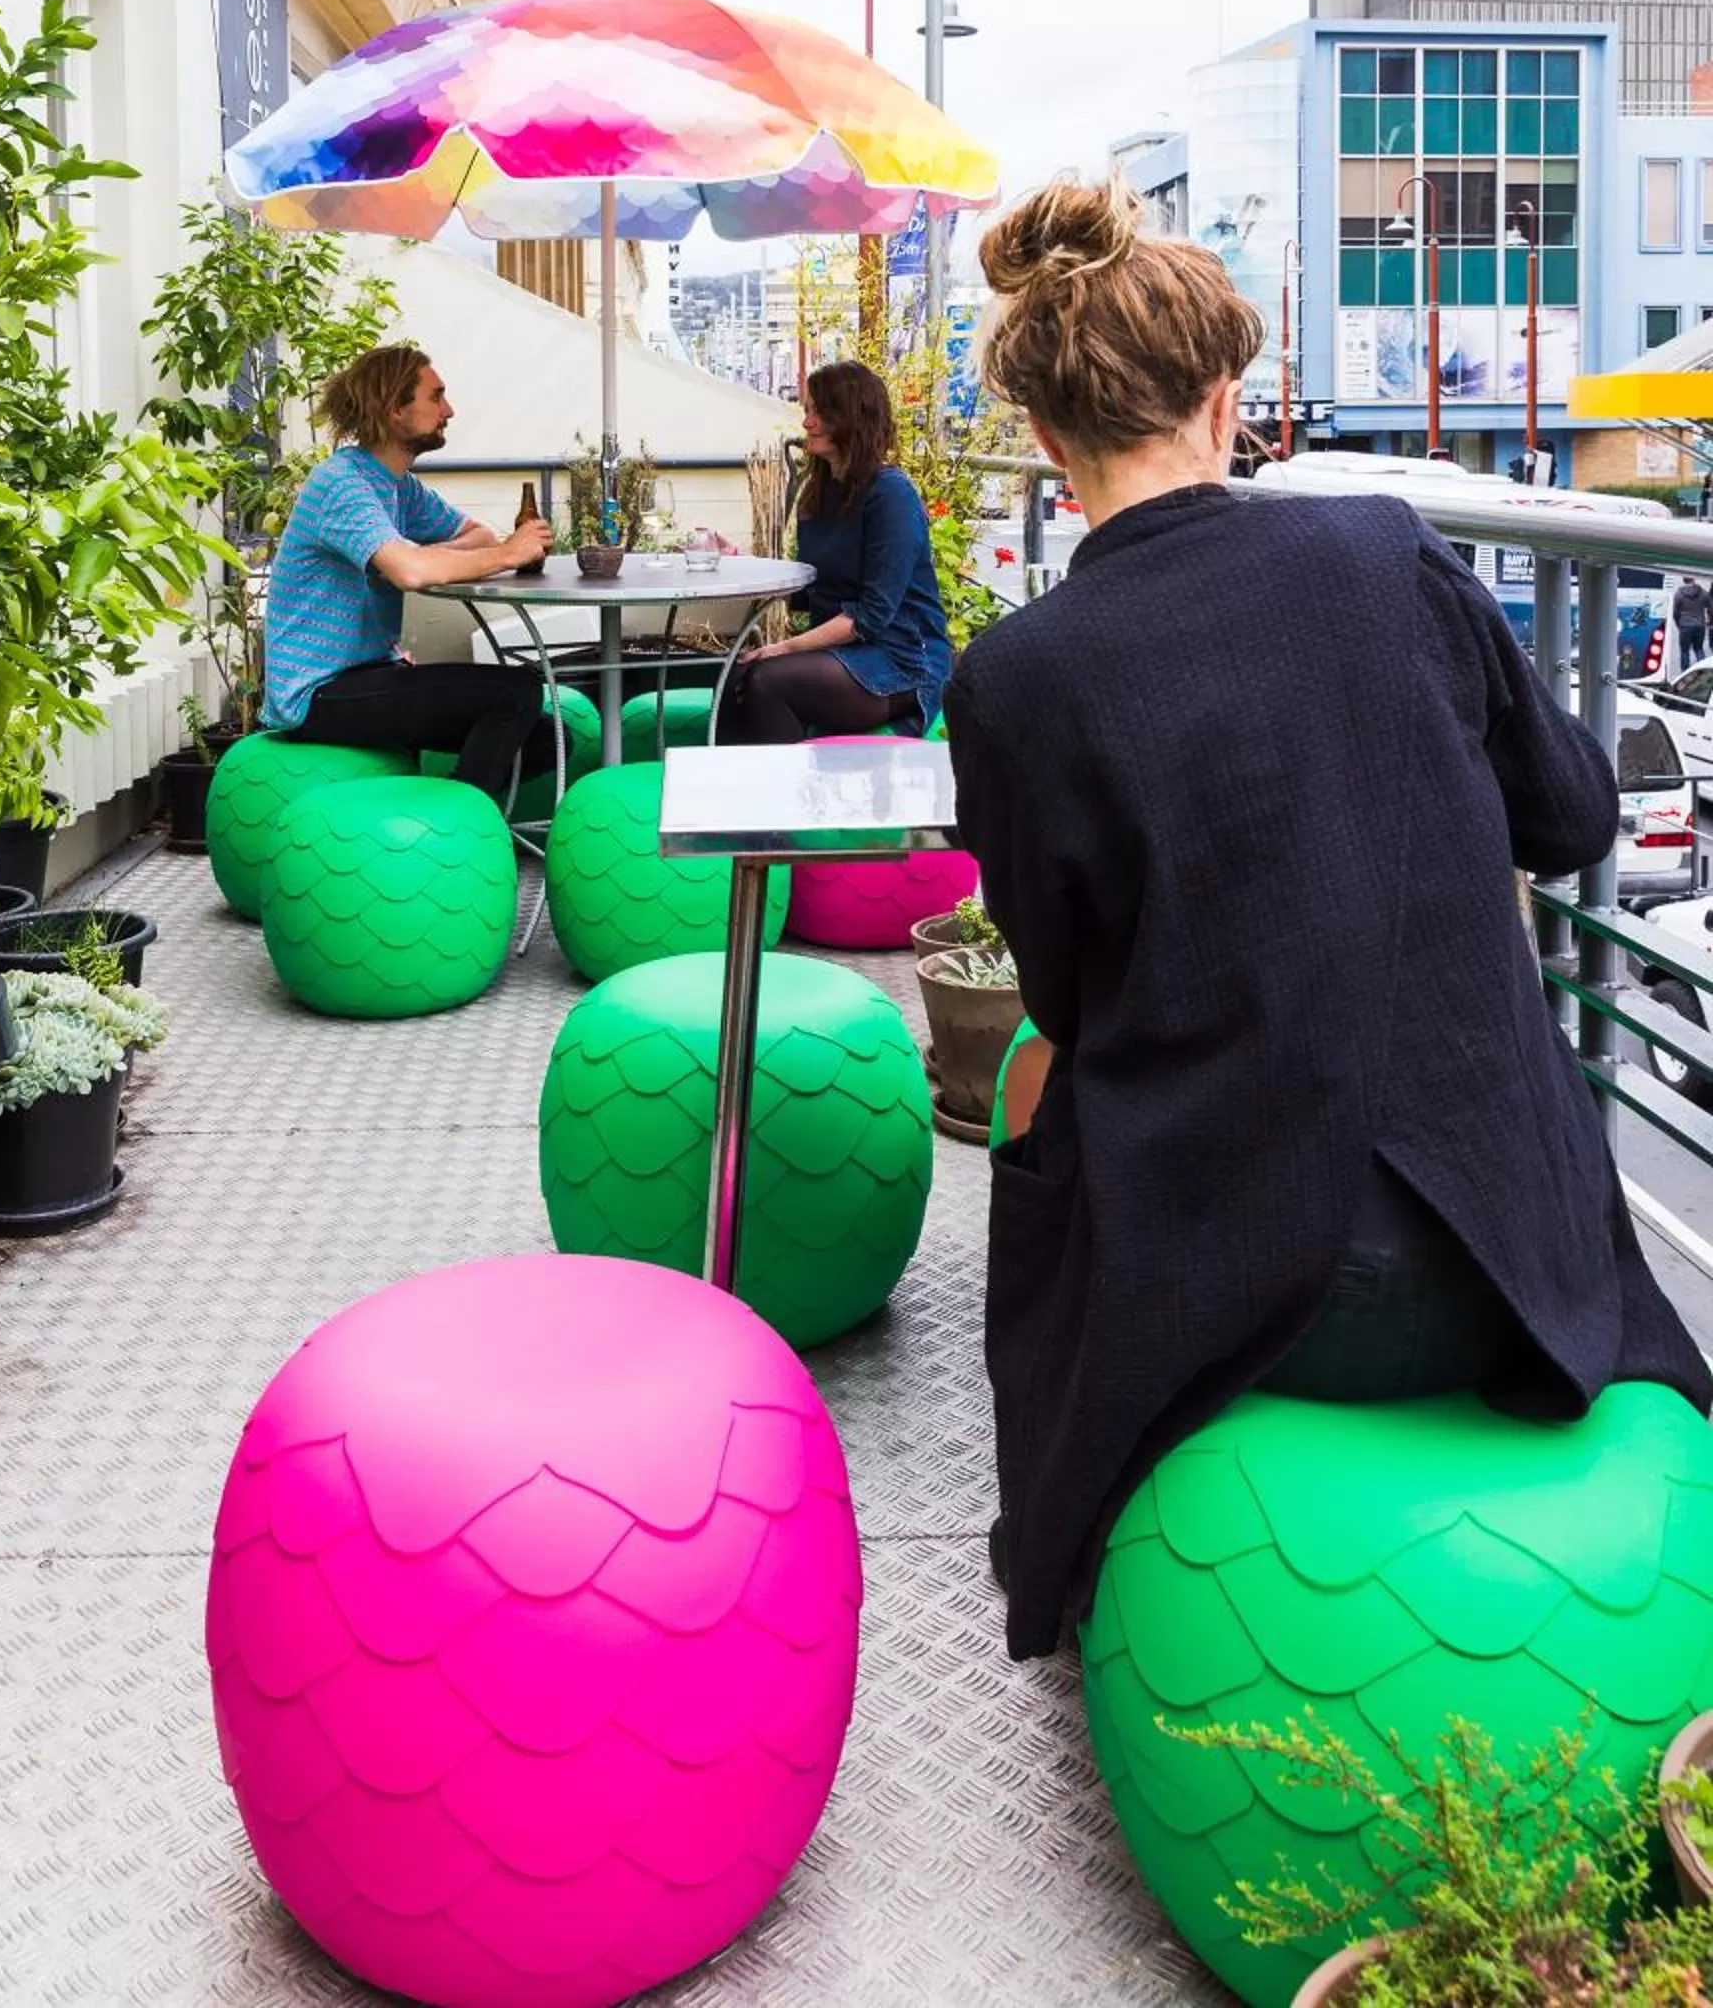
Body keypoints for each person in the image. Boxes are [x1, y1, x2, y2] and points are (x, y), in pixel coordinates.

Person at [944, 178, 1707, 1663]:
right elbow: (1570, 818)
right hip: (1518, 1277)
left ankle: (1058, 1534)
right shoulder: (1387, 553)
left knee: (1037, 1100)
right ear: (1230, 404)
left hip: (1237, 1309)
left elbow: (1072, 997)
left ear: (1045, 439)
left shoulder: (1018, 681)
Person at [261, 343, 556, 798]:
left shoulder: (399, 487)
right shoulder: (342, 483)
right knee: (513, 691)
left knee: (549, 739)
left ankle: (430, 811)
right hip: (316, 694)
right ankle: (457, 828)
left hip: (371, 674)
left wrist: (412, 553)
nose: (449, 410)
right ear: (394, 409)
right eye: (436, 397)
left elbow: (477, 535)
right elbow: (413, 574)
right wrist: (506, 555)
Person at [716, 360, 950, 744]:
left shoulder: (890, 494)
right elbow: (812, 591)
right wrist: (741, 564)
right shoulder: (821, 493)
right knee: (733, 674)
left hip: (903, 660)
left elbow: (872, 615)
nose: (807, 422)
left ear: (853, 418)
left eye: (820, 411)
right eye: (807, 410)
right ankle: (734, 793)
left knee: (766, 680)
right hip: (849, 654)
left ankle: (788, 796)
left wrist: (785, 648)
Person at [1676, 574, 1708, 671]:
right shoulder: (1702, 592)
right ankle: (1703, 670)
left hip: (1685, 625)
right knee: (1699, 649)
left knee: (1684, 651)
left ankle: (1685, 672)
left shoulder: (1679, 594)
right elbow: (1710, 606)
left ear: (1683, 580)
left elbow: (1675, 612)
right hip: (1700, 625)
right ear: (1693, 579)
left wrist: (1679, 623)